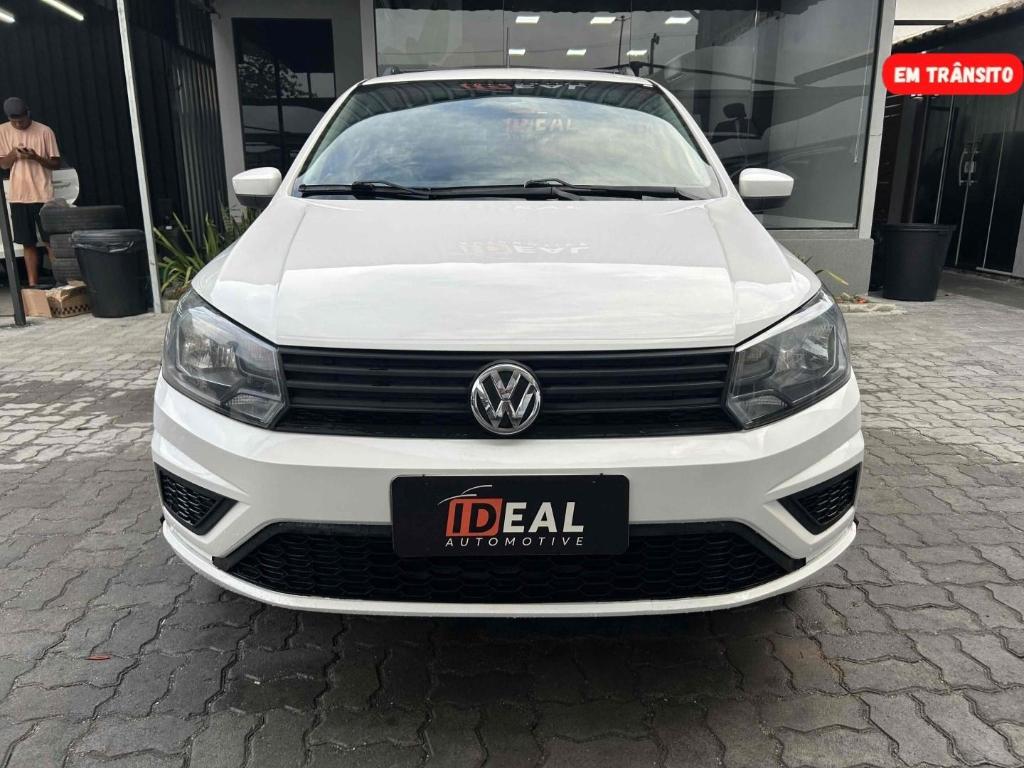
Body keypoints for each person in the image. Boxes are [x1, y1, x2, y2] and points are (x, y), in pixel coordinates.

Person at [0, 97, 61, 288]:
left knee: (51, 241)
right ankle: (33, 286)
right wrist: (14, 153)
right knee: (27, 243)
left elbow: (55, 163)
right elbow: (3, 165)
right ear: (8, 118)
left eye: (22, 120)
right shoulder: (2, 131)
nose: (19, 124)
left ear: (28, 113)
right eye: (15, 121)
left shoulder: (44, 131)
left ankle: (62, 283)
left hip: (44, 194)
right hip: (19, 195)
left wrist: (35, 157)